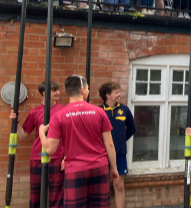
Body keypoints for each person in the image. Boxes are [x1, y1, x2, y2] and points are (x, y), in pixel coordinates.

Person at [39, 76, 119, 207]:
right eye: (87, 88)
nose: (88, 91)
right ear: (82, 90)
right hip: (100, 167)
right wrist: (114, 168)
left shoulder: (59, 116)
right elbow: (109, 144)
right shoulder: (99, 112)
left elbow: (49, 149)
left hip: (75, 170)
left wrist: (42, 132)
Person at [9, 81, 64, 208]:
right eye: (55, 90)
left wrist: (66, 157)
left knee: (56, 193)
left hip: (57, 156)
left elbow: (68, 136)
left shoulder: (63, 110)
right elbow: (23, 135)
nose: (58, 93)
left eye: (58, 90)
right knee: (35, 194)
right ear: (44, 93)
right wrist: (16, 122)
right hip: (37, 157)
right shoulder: (34, 112)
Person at [99, 82, 136, 208]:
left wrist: (121, 139)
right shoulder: (99, 111)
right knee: (103, 188)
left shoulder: (124, 110)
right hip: (102, 155)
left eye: (119, 92)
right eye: (116, 92)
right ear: (108, 95)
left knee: (118, 185)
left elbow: (132, 128)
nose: (119, 94)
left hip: (119, 154)